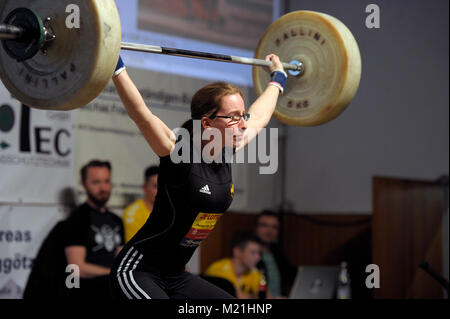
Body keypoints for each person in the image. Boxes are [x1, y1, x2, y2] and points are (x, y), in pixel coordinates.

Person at [109, 52, 288, 299]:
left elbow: (259, 118)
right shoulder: (177, 152)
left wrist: (278, 78)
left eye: (242, 115)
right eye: (234, 117)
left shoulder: (228, 149)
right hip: (138, 270)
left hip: (176, 275)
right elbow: (142, 114)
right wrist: (114, 64)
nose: (243, 124)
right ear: (206, 123)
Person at [63, 160, 124, 299]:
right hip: (88, 292)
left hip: (115, 290)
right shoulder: (77, 220)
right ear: (84, 184)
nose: (103, 188)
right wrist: (111, 273)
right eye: (96, 182)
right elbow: (76, 267)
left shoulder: (117, 220)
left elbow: (121, 258)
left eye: (106, 181)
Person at [205, 233, 264, 299]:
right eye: (253, 252)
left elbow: (262, 295)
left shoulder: (254, 272)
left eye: (259, 253)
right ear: (237, 251)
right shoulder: (218, 269)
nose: (258, 257)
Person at [254, 210, 297, 298]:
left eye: (274, 227)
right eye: (264, 225)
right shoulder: (248, 255)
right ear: (255, 228)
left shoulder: (279, 255)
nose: (269, 231)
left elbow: (294, 277)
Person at [122, 165, 159, 243]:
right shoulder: (132, 213)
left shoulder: (169, 211)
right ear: (144, 188)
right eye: (155, 186)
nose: (160, 191)